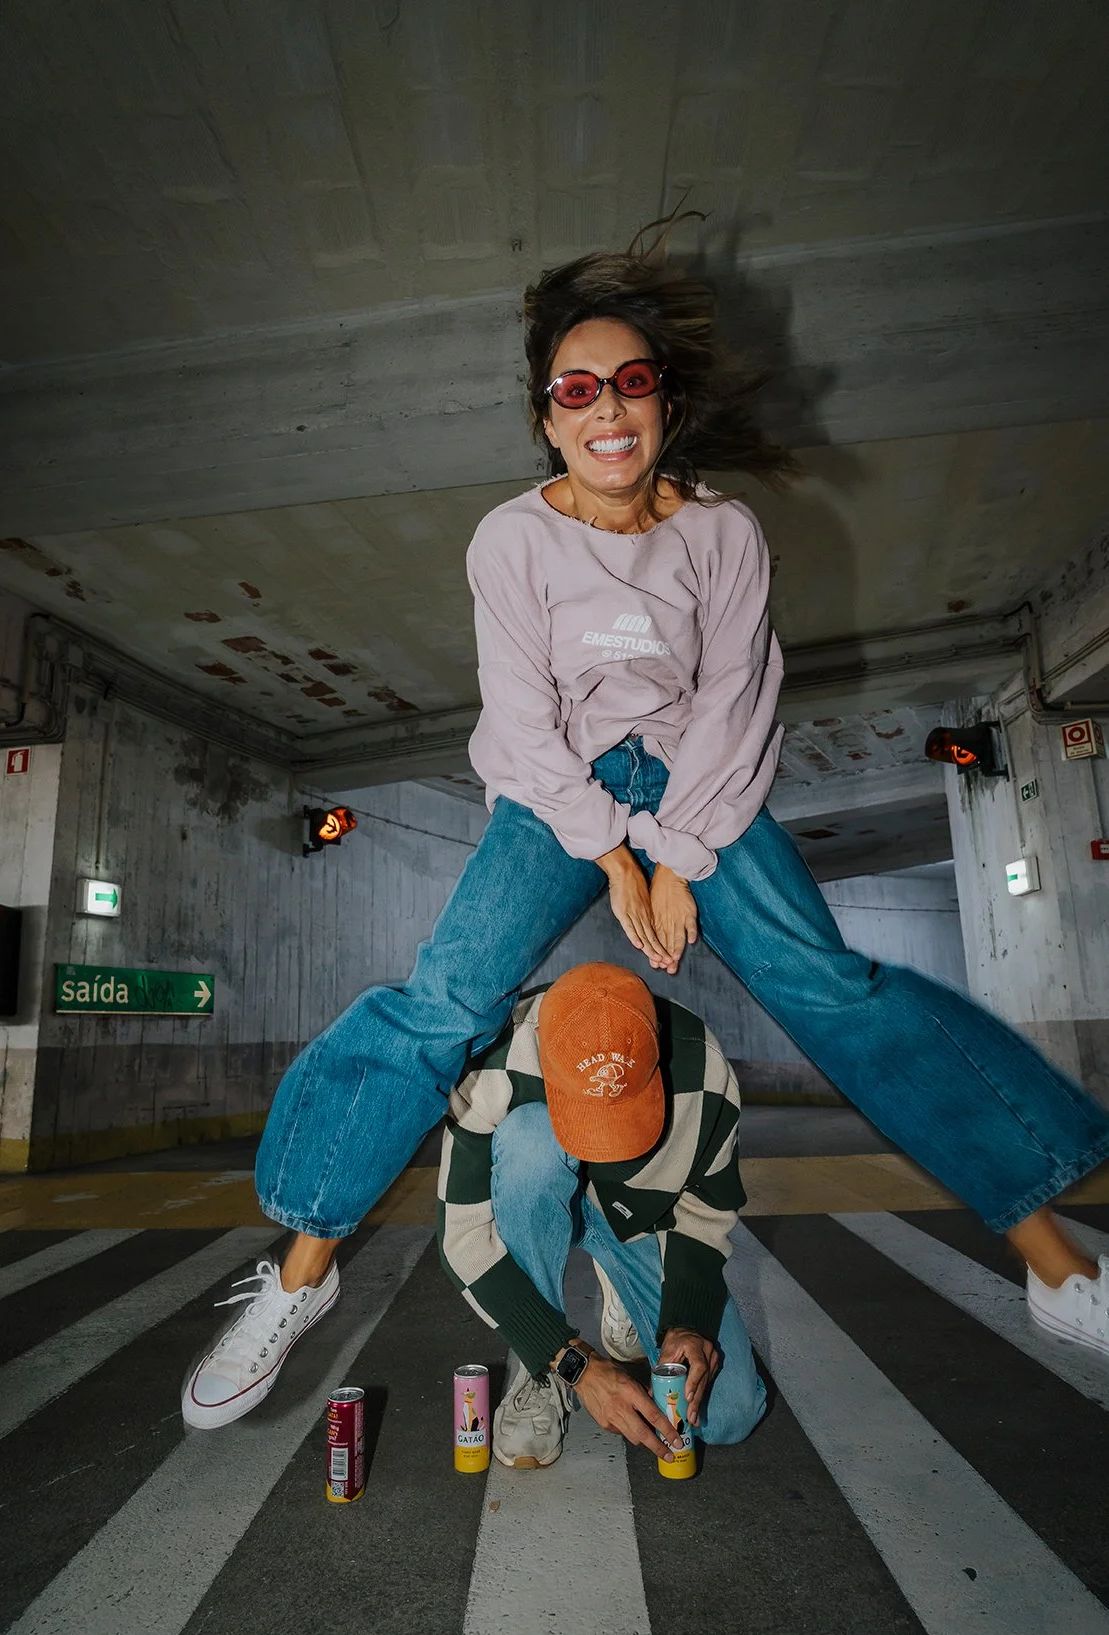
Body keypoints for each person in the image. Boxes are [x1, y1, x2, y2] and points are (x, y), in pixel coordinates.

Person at [182, 224, 1109, 1431]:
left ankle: (1056, 1270)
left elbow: (736, 703)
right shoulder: (510, 539)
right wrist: (612, 855)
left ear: (663, 403)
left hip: (697, 786)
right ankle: (301, 1277)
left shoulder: (722, 533)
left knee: (829, 986)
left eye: (629, 383)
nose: (606, 410)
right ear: (546, 417)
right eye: (576, 391)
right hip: (554, 788)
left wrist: (672, 854)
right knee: (444, 997)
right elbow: (521, 721)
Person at [438, 962, 764, 1468]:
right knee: (529, 1140)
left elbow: (706, 1214)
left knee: (725, 1416)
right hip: (545, 1201)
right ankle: (540, 1371)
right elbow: (463, 1240)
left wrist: (687, 1322)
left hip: (638, 1224)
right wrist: (572, 1361)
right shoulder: (493, 1066)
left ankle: (620, 1279)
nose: (606, 1147)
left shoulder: (706, 1071)